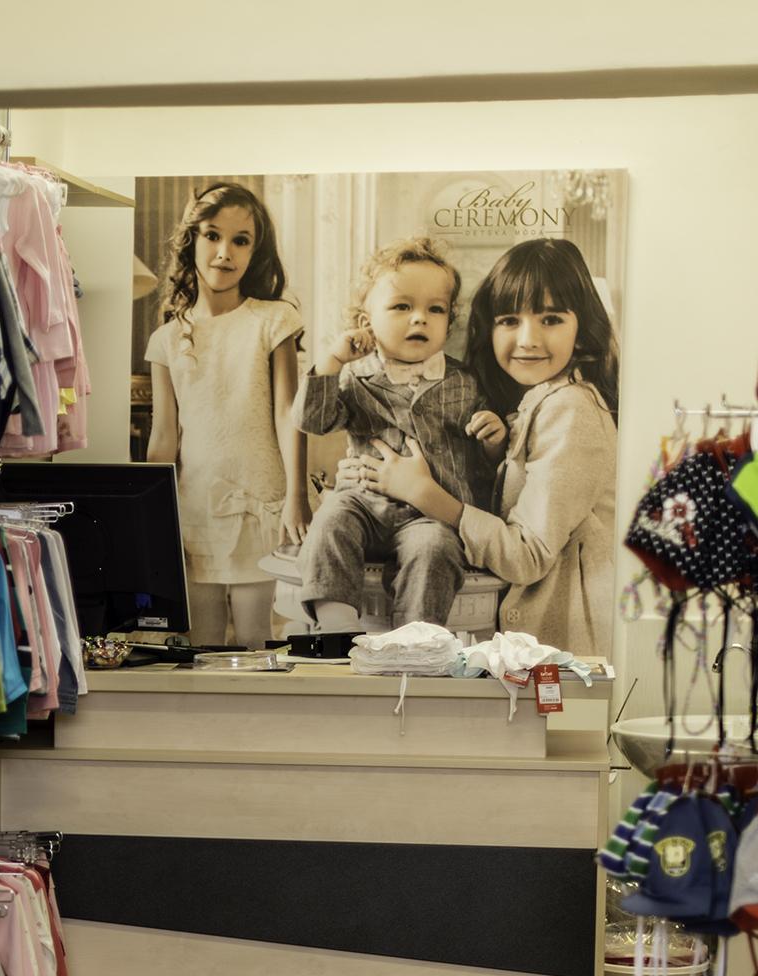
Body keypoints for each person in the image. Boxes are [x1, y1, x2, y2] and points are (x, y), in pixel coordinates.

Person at [350, 237, 618, 657]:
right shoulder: (533, 400)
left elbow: (527, 554)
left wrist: (422, 493)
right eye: (509, 320)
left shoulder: (572, 409)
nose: (528, 339)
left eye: (550, 319)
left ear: (581, 327)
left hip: (565, 650)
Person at [294, 235, 495, 634]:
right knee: (331, 521)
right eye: (402, 306)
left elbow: (487, 462)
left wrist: (493, 436)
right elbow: (313, 422)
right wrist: (332, 361)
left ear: (449, 320)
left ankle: (416, 638)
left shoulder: (465, 381)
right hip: (363, 503)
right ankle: (336, 624)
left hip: (429, 514)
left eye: (435, 309)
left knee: (436, 550)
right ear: (366, 322)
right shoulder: (354, 375)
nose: (419, 318)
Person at [145, 182, 308, 649]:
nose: (224, 252)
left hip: (261, 503)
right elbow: (164, 437)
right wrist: (154, 517)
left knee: (257, 639)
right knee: (202, 643)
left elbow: (287, 414)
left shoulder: (273, 320)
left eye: (241, 240)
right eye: (213, 236)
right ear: (191, 240)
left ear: (255, 252)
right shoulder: (167, 340)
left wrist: (296, 495)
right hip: (195, 507)